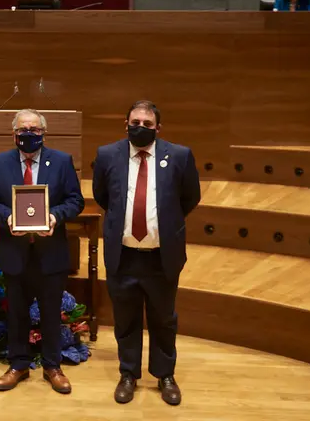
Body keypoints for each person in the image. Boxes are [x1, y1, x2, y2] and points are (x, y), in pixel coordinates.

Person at [92, 100, 200, 405]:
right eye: (135, 122)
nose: (140, 127)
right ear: (125, 124)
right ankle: (129, 374)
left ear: (158, 129)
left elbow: (190, 196)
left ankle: (165, 375)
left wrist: (163, 222)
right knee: (125, 320)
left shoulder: (179, 155)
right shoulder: (107, 155)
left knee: (163, 319)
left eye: (147, 124)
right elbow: (103, 195)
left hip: (161, 256)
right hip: (123, 255)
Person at [0, 109, 84, 394]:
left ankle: (53, 366)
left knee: (51, 313)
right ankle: (18, 365)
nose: (29, 134)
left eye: (35, 129)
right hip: (16, 253)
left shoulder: (61, 161)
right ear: (14, 133)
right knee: (16, 315)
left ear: (44, 133)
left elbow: (76, 201)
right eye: (23, 129)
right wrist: (7, 218)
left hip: (50, 253)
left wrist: (54, 217)